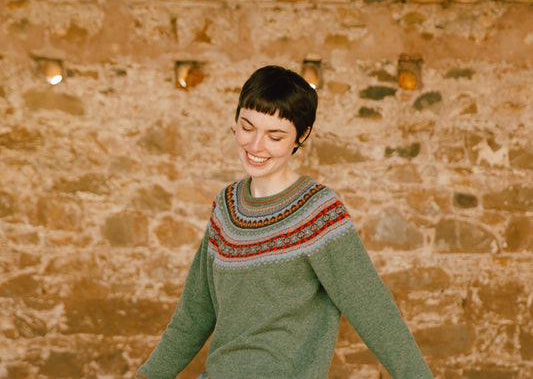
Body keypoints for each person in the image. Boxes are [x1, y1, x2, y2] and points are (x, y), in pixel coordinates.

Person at [135, 65, 434, 379]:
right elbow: (195, 314)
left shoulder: (318, 212)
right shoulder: (226, 207)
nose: (255, 146)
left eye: (274, 136)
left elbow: (371, 307)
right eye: (247, 127)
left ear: (300, 136)